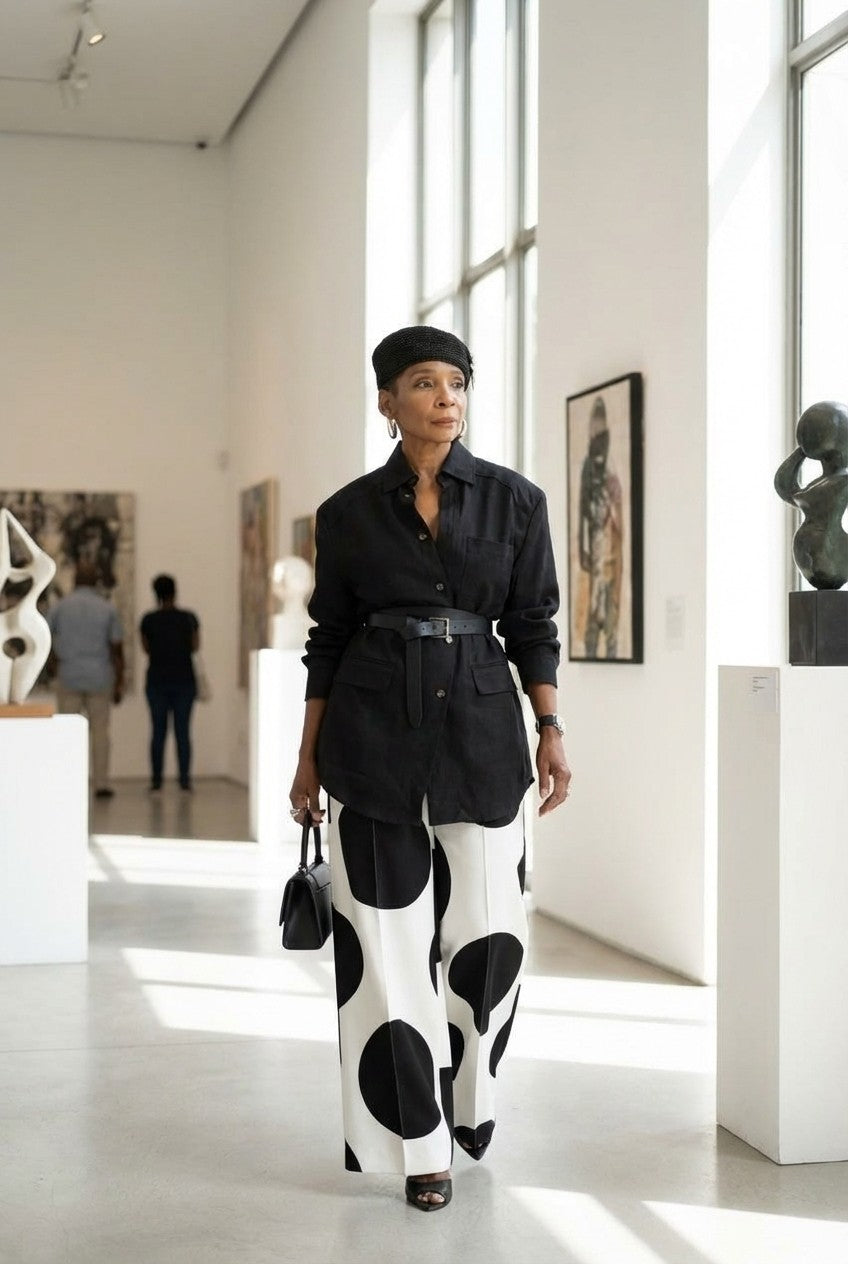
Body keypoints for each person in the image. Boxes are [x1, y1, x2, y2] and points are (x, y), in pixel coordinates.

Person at [289, 325, 571, 1212]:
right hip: (370, 739)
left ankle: (468, 1103)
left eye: (457, 381)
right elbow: (328, 638)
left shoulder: (516, 502)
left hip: (483, 735)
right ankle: (420, 1146)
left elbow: (534, 625)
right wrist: (306, 759)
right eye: (423, 382)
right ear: (387, 400)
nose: (446, 397)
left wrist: (550, 726)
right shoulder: (346, 513)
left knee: (488, 941)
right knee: (383, 947)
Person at [47, 560, 124, 799]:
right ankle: (101, 783)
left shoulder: (61, 607)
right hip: (99, 676)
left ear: (75, 580)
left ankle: (67, 779)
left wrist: (53, 666)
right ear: (95, 582)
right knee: (100, 732)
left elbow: (45, 638)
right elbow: (117, 648)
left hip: (69, 675)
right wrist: (119, 680)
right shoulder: (106, 608)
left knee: (66, 732)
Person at [139, 574, 200, 792]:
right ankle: (184, 779)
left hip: (157, 681)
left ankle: (157, 780)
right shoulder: (188, 618)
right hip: (184, 681)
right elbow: (195, 646)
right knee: (183, 732)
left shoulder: (148, 620)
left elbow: (146, 648)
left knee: (158, 732)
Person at [578, 395, 623, 658]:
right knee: (593, 609)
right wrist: (583, 546)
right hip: (595, 540)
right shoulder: (588, 465)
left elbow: (616, 502)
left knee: (609, 608)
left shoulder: (609, 464)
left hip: (608, 544)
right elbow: (582, 510)